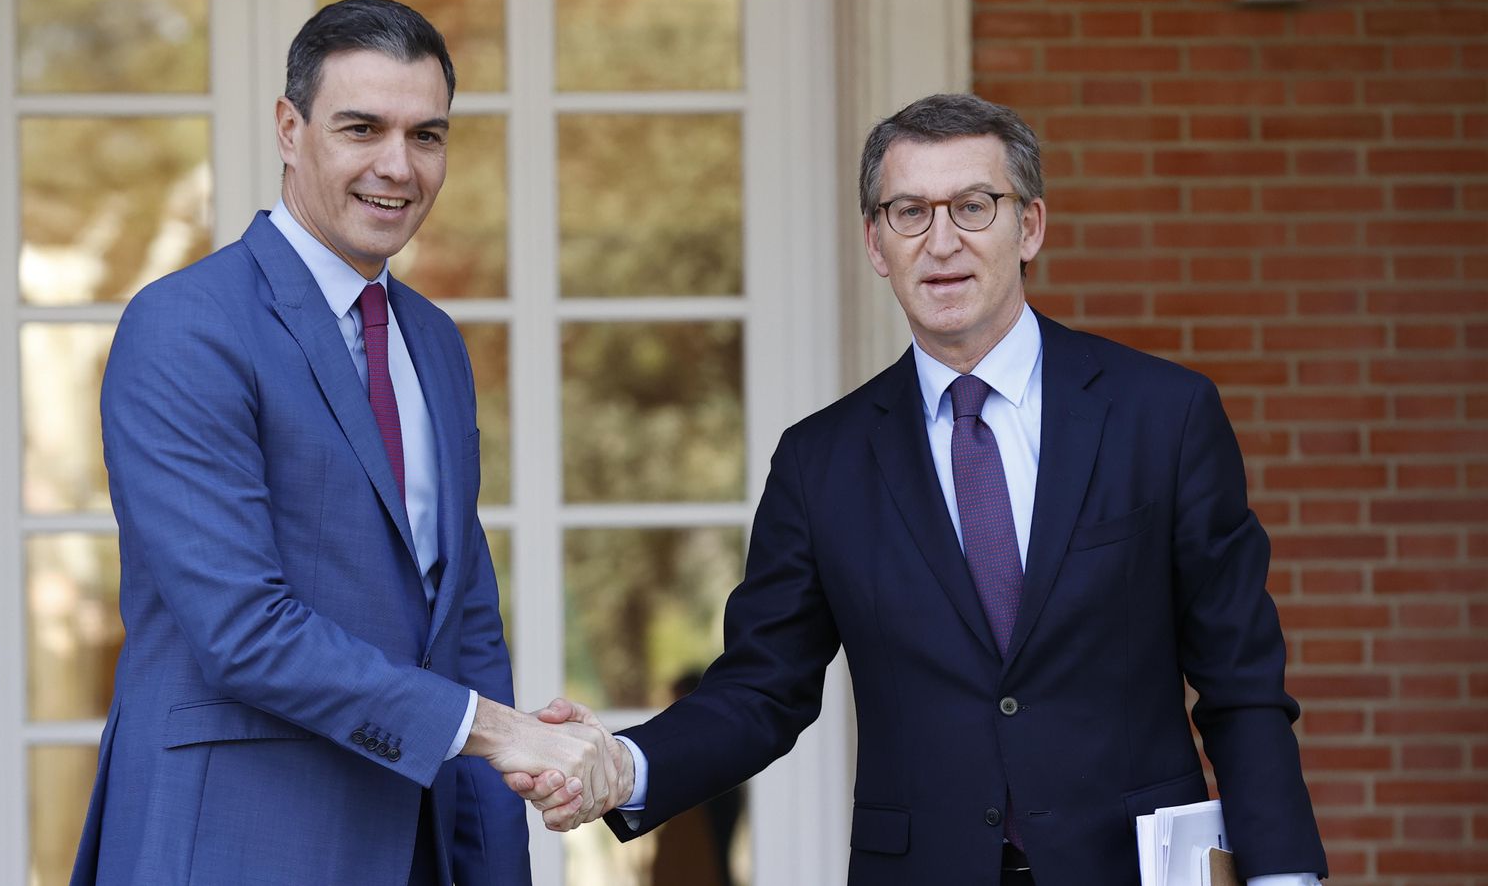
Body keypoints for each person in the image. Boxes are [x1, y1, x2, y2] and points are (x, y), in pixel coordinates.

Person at [515, 93, 1328, 885]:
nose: (942, 242)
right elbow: (763, 686)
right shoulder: (820, 461)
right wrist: (626, 763)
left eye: (974, 206)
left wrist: (1282, 874)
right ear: (876, 243)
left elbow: (1240, 682)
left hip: (1127, 865)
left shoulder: (1163, 415)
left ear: (1029, 226)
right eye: (910, 213)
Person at [70, 0, 615, 885]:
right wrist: (502, 729)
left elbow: (463, 623)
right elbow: (244, 630)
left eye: (426, 135)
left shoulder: (433, 342)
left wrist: (493, 860)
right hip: (234, 846)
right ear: (290, 129)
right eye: (361, 128)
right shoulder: (184, 327)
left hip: (416, 848)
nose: (397, 167)